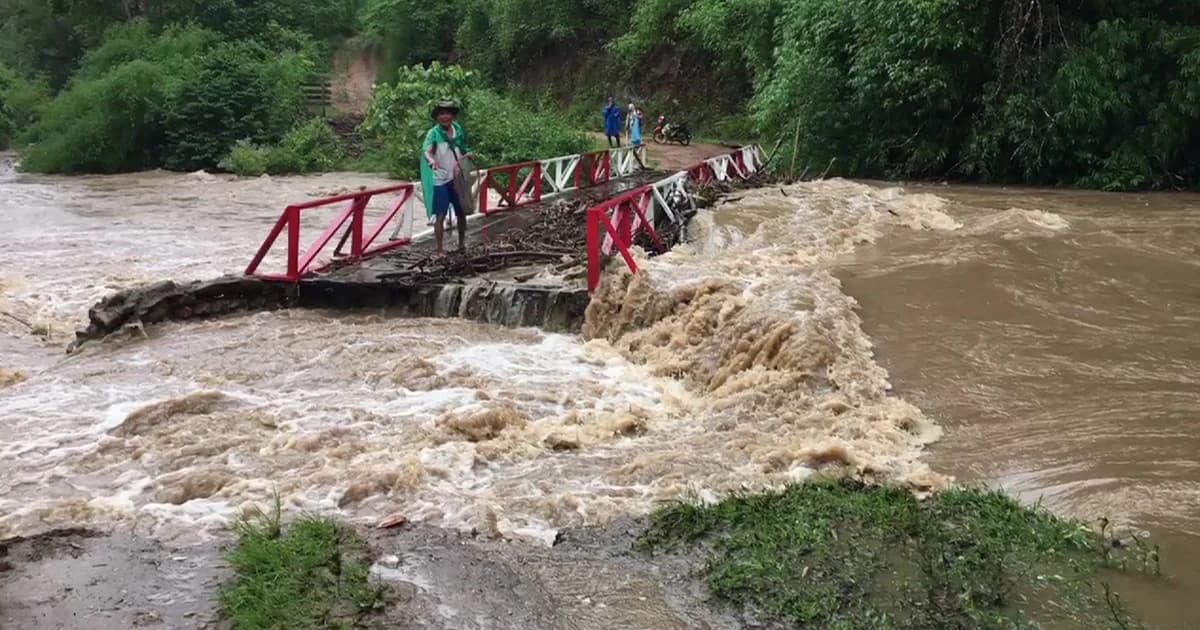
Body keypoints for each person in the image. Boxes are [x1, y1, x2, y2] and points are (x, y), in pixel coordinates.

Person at [421, 100, 476, 256]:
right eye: (441, 114)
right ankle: (439, 249)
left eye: (447, 113)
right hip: (440, 180)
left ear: (452, 116)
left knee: (461, 212)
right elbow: (427, 150)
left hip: (457, 178)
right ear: (437, 117)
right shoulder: (433, 134)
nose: (445, 116)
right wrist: (431, 160)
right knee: (440, 214)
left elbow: (463, 147)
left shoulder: (458, 130)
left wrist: (469, 154)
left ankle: (461, 243)